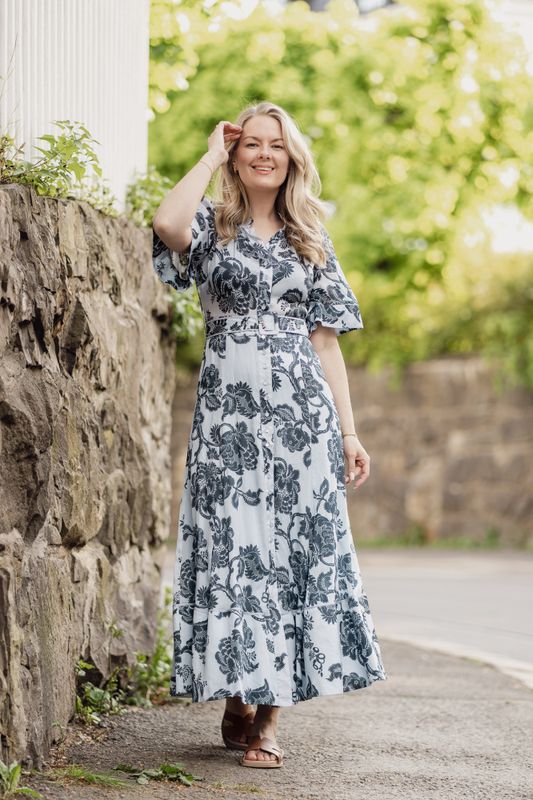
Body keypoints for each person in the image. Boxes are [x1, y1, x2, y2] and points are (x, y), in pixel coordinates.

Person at [151, 101, 387, 769]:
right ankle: (236, 688)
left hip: (300, 424)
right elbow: (165, 224)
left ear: (291, 158)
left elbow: (326, 343)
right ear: (235, 155)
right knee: (233, 554)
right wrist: (205, 153)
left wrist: (348, 432)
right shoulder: (209, 225)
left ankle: (268, 723)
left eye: (274, 145)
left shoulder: (309, 235)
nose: (262, 154)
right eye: (249, 144)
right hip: (227, 424)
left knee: (290, 559)